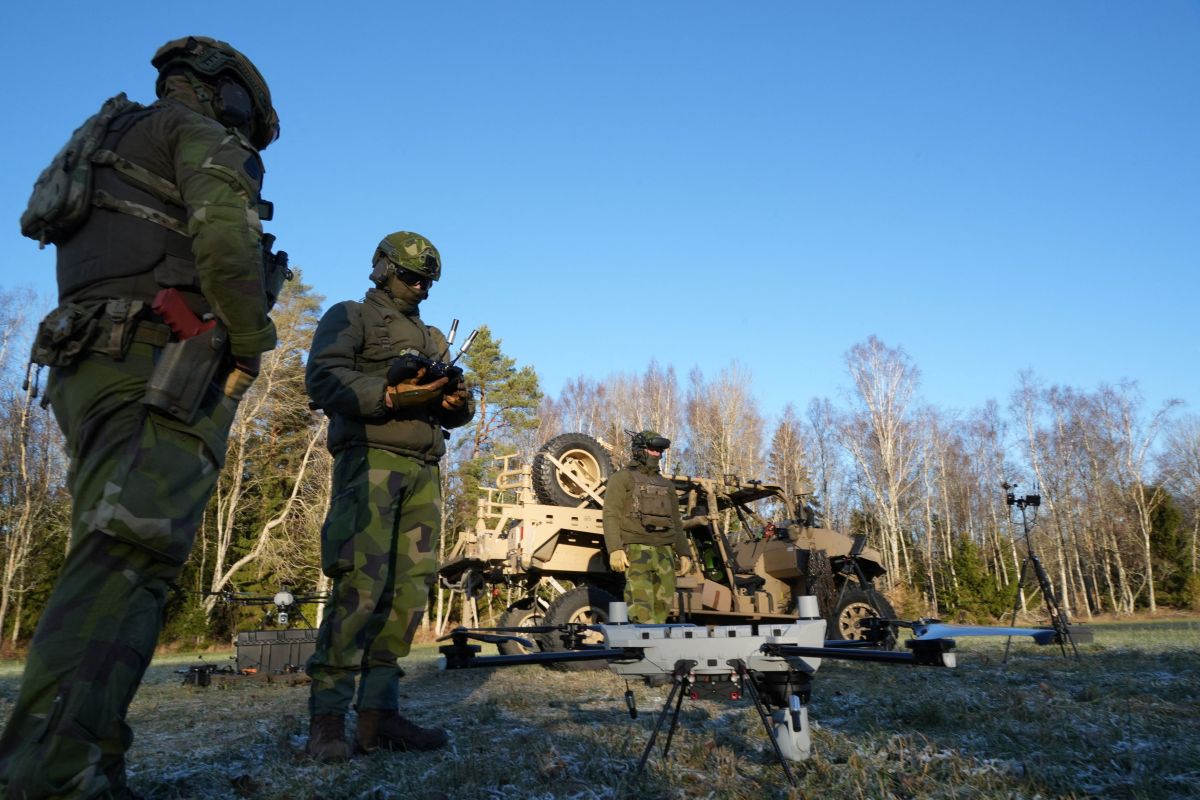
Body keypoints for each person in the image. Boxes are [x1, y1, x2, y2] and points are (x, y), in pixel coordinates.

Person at [0, 36, 281, 799]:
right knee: (123, 565)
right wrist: (253, 344)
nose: (249, 128)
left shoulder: (107, 141)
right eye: (247, 110)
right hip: (155, 365)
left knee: (121, 557)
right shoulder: (193, 133)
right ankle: (51, 773)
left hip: (92, 364)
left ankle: (91, 759)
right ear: (222, 91)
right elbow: (225, 245)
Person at [303, 232, 474, 761]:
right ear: (381, 268)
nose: (419, 287)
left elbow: (457, 410)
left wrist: (456, 401)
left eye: (426, 280)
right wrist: (393, 394)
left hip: (424, 472)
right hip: (370, 462)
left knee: (409, 594)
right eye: (409, 276)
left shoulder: (432, 338)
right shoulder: (350, 316)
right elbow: (324, 379)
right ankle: (328, 722)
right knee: (360, 584)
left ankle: (379, 718)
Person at [603, 431, 693, 624]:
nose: (656, 454)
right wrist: (615, 548)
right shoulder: (622, 478)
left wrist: (684, 552)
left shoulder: (667, 485)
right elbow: (611, 514)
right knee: (640, 608)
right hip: (636, 550)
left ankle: (656, 648)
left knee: (663, 607)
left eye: (660, 450)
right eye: (652, 449)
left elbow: (676, 521)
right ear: (639, 450)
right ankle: (641, 649)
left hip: (665, 552)